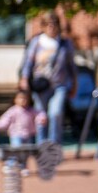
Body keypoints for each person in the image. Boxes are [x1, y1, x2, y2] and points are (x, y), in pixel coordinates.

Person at [19, 10, 78, 145]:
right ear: (43, 26)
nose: (51, 27)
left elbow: (71, 66)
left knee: (55, 113)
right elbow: (28, 62)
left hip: (59, 85)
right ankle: (41, 146)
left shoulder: (65, 44)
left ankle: (53, 146)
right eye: (48, 24)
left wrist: (75, 83)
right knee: (41, 116)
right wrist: (24, 79)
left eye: (54, 24)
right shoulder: (36, 42)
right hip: (41, 85)